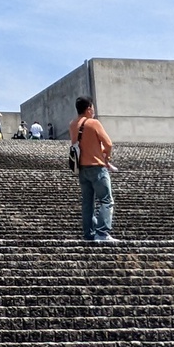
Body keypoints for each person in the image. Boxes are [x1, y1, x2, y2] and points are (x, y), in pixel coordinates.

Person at [68, 95, 116, 243]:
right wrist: (107, 158)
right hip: (97, 168)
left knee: (88, 203)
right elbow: (108, 144)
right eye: (93, 108)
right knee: (106, 200)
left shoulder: (72, 125)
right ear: (89, 108)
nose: (93, 111)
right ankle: (102, 233)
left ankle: (89, 234)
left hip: (82, 169)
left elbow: (82, 145)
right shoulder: (93, 123)